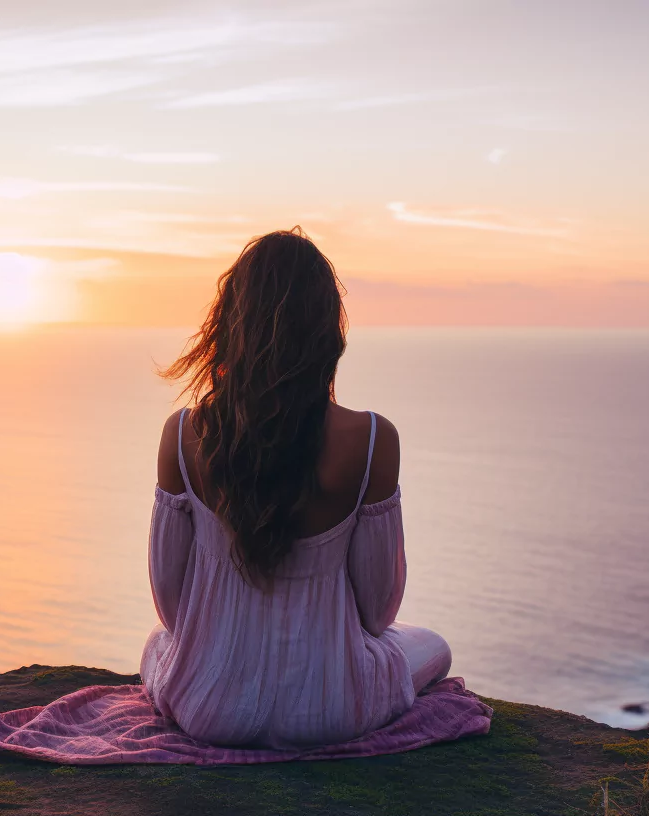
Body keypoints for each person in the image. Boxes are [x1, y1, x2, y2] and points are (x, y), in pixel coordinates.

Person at [140, 227, 452, 750]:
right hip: (332, 709)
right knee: (433, 647)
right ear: (328, 331)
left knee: (158, 644)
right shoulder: (372, 440)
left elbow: (172, 610)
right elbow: (378, 616)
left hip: (208, 708)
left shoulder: (183, 436)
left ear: (230, 325)